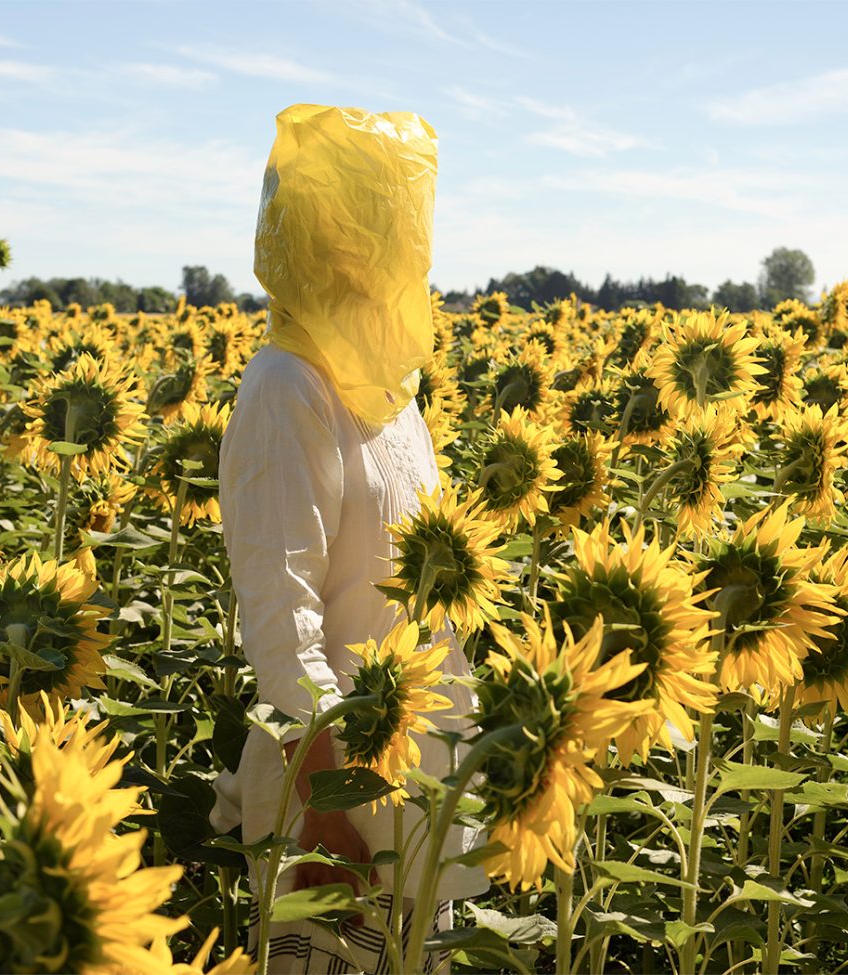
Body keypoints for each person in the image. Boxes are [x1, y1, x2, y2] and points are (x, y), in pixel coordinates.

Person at [211, 104, 489, 975]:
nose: (387, 248)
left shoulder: (392, 390)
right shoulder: (286, 385)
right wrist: (325, 804)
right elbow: (280, 610)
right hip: (333, 808)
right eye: (366, 225)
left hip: (419, 795)